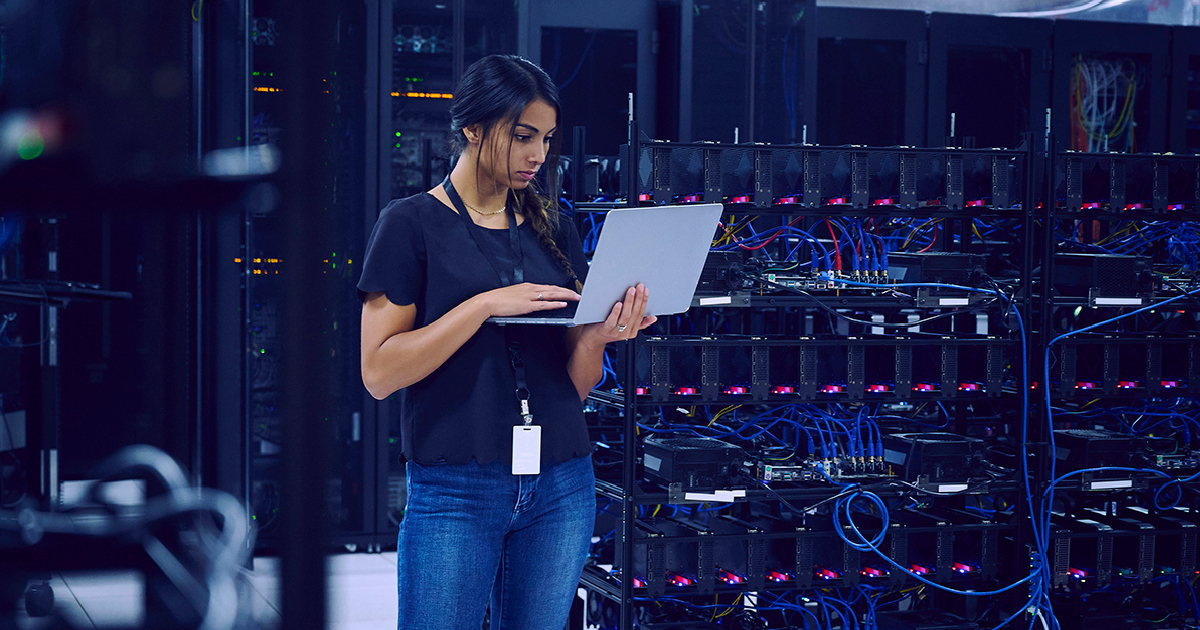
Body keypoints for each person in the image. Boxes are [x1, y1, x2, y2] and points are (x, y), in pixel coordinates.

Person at [357, 54, 654, 630]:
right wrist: (484, 306)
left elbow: (575, 383)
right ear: (472, 128)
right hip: (455, 488)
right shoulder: (409, 224)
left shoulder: (554, 227)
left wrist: (598, 337)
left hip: (563, 483)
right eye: (523, 137)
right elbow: (378, 373)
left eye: (545, 139)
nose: (538, 156)